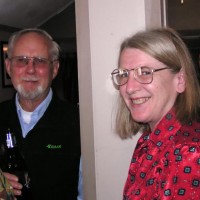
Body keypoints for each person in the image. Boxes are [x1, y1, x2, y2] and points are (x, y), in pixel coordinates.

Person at [111, 28, 200, 199]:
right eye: (124, 75)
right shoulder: (147, 141)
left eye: (145, 72)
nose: (129, 88)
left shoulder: (189, 153)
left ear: (180, 81)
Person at [0, 28, 81, 200]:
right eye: (21, 60)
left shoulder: (80, 124)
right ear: (8, 67)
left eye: (40, 61)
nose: (31, 70)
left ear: (55, 68)